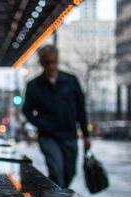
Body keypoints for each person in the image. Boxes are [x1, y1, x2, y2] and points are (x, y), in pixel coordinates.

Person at [22, 44, 91, 189]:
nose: (51, 66)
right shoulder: (33, 86)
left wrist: (86, 135)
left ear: (57, 61)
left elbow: (81, 109)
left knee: (69, 173)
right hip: (48, 136)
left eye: (53, 62)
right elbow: (27, 111)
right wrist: (42, 123)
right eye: (47, 62)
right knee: (56, 172)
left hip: (69, 134)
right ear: (41, 63)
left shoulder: (71, 81)